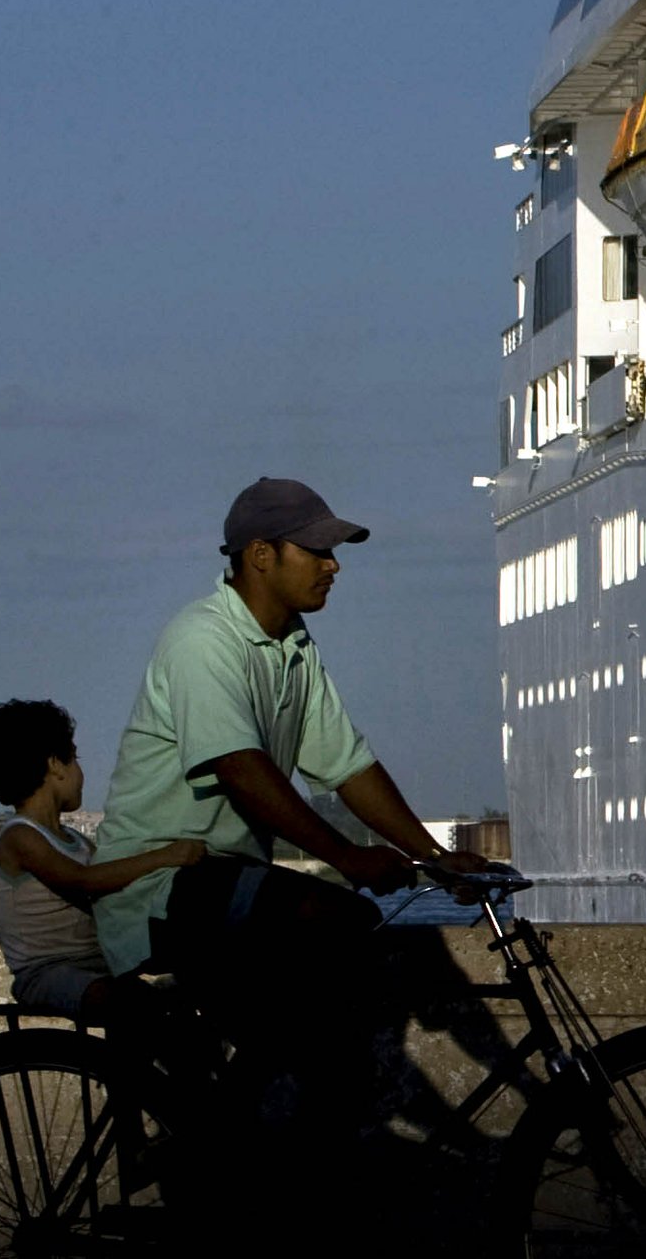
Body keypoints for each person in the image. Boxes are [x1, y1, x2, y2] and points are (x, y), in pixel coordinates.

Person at [91, 477, 490, 1198]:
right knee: (333, 919)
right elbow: (241, 769)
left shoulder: (292, 646)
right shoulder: (202, 640)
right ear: (260, 554)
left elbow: (348, 765)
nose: (334, 565)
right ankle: (221, 1146)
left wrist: (434, 858)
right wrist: (346, 856)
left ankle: (226, 1146)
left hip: (226, 890)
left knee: (328, 1003)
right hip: (156, 886)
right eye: (318, 550)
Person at [0, 698, 205, 1024]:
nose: (81, 771)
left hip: (97, 964)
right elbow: (85, 881)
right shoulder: (20, 836)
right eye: (75, 759)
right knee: (134, 1003)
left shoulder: (76, 841)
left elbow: (115, 880)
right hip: (48, 973)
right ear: (55, 765)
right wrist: (169, 855)